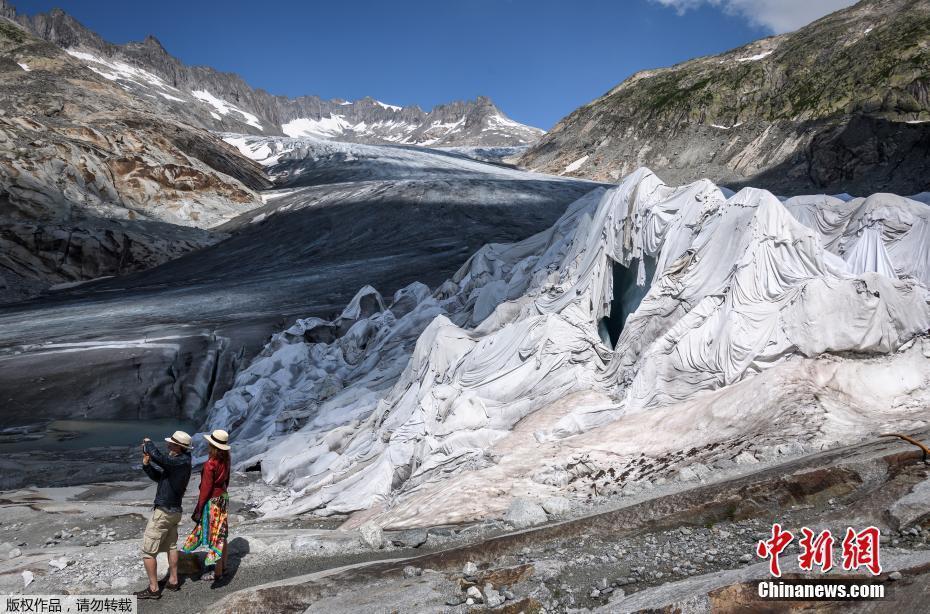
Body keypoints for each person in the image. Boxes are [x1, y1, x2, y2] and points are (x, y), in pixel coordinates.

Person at [134, 431, 193, 600]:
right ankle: (173, 580)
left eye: (171, 444)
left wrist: (148, 443)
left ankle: (153, 589)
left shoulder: (178, 460)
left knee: (148, 551)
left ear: (180, 447)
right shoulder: (182, 461)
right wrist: (147, 466)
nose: (168, 446)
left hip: (164, 512)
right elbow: (161, 478)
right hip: (174, 512)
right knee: (171, 546)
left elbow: (160, 458)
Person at [182, 429, 232, 583]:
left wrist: (199, 509)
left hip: (213, 501)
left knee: (214, 537)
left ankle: (216, 573)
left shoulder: (210, 463)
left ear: (212, 445)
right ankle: (223, 566)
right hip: (223, 497)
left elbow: (205, 489)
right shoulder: (227, 459)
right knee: (221, 534)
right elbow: (227, 480)